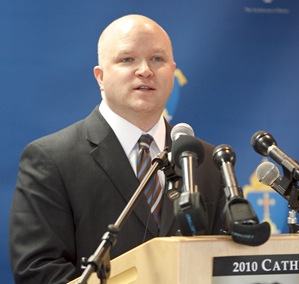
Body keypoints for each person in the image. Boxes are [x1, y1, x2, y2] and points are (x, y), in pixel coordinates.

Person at [9, 14, 226, 283]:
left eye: (157, 59)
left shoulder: (205, 160)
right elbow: (39, 270)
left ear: (173, 71)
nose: (145, 70)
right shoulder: (51, 159)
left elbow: (226, 261)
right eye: (127, 59)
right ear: (101, 77)